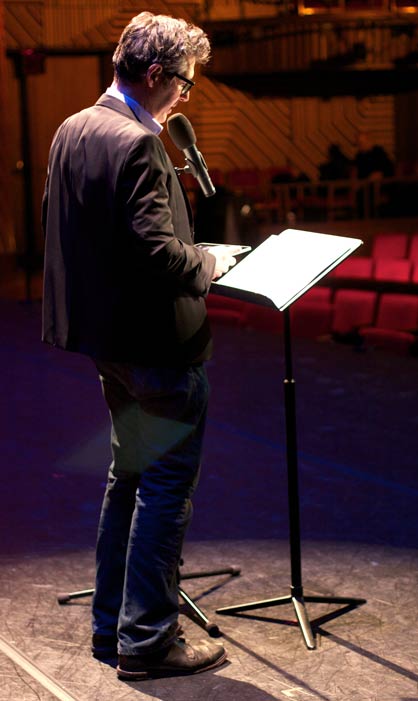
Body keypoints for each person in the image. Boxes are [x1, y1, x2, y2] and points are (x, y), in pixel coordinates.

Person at [42, 11, 238, 681]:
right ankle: (149, 639)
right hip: (159, 348)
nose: (187, 95)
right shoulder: (137, 143)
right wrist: (208, 262)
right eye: (184, 83)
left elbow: (81, 239)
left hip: (109, 347)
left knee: (127, 481)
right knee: (162, 492)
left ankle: (111, 626)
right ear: (155, 75)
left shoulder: (73, 128)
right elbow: (159, 254)